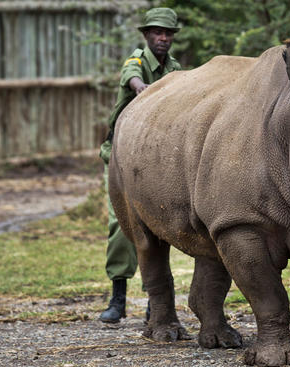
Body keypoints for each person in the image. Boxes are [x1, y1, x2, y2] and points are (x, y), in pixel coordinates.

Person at [98, 7, 182, 323]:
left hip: (156, 161)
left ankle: (155, 302)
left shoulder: (175, 69)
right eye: (157, 32)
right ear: (146, 35)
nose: (163, 38)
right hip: (121, 158)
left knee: (162, 226)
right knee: (122, 226)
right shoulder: (136, 61)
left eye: (168, 33)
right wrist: (144, 90)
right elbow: (131, 77)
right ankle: (117, 298)